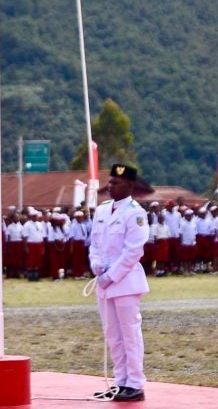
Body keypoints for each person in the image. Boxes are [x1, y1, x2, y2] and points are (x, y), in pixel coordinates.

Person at [89, 164, 149, 402]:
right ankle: (120, 382)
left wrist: (110, 275)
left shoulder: (135, 213)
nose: (111, 186)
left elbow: (133, 251)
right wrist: (95, 265)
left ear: (130, 186)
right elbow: (94, 242)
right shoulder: (102, 210)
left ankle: (135, 383)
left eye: (117, 183)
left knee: (129, 334)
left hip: (125, 282)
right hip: (104, 282)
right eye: (111, 182)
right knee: (112, 335)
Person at [68, 210, 90, 279]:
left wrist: (85, 244)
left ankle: (81, 273)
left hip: (82, 243)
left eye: (82, 217)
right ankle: (75, 274)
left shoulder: (83, 225)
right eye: (79, 217)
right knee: (76, 258)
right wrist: (71, 247)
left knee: (82, 258)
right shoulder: (73, 226)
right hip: (76, 242)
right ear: (76, 218)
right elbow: (71, 237)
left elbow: (85, 235)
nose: (81, 218)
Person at [178, 209, 197, 275]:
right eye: (188, 215)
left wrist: (194, 242)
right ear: (185, 216)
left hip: (192, 243)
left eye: (191, 215)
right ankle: (185, 270)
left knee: (191, 258)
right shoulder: (183, 224)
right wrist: (181, 243)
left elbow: (195, 233)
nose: (190, 217)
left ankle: (190, 270)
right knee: (185, 258)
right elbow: (180, 234)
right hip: (185, 243)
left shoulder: (193, 224)